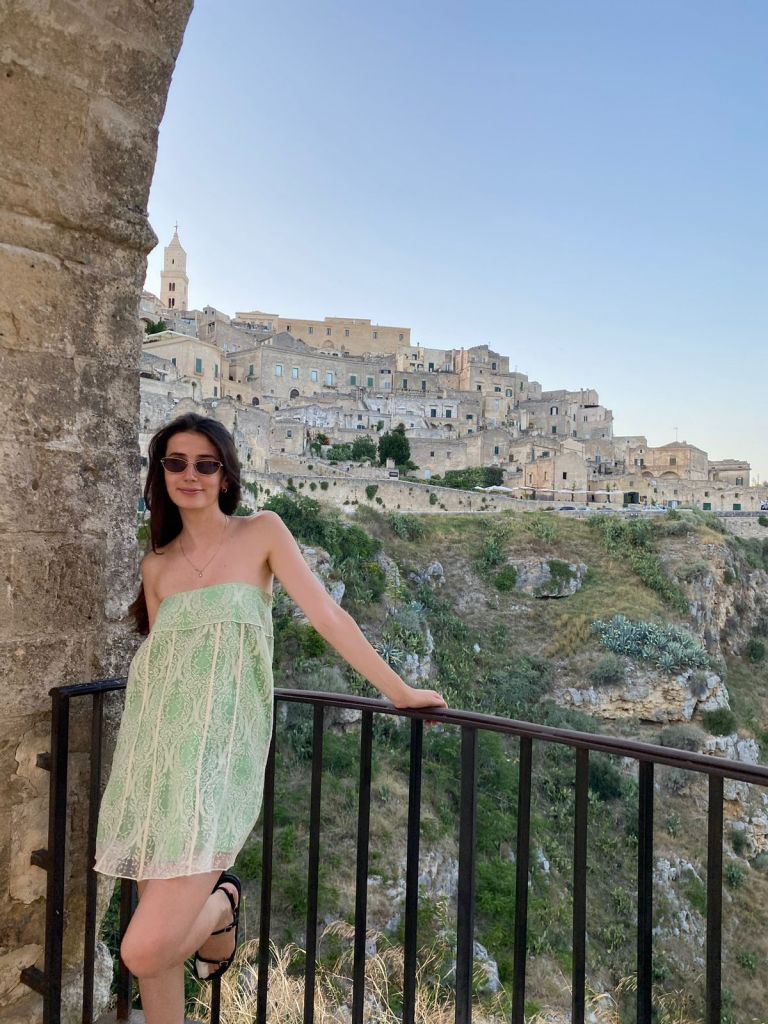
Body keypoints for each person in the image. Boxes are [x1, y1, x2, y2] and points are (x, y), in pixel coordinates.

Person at [94, 412, 446, 1023]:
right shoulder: (157, 566)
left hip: (220, 757)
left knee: (142, 948)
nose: (190, 474)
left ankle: (223, 905)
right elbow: (162, 659)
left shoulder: (262, 532)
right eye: (176, 463)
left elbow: (328, 616)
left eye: (205, 464)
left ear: (226, 475)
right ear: (160, 474)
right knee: (157, 949)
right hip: (154, 754)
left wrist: (399, 690)